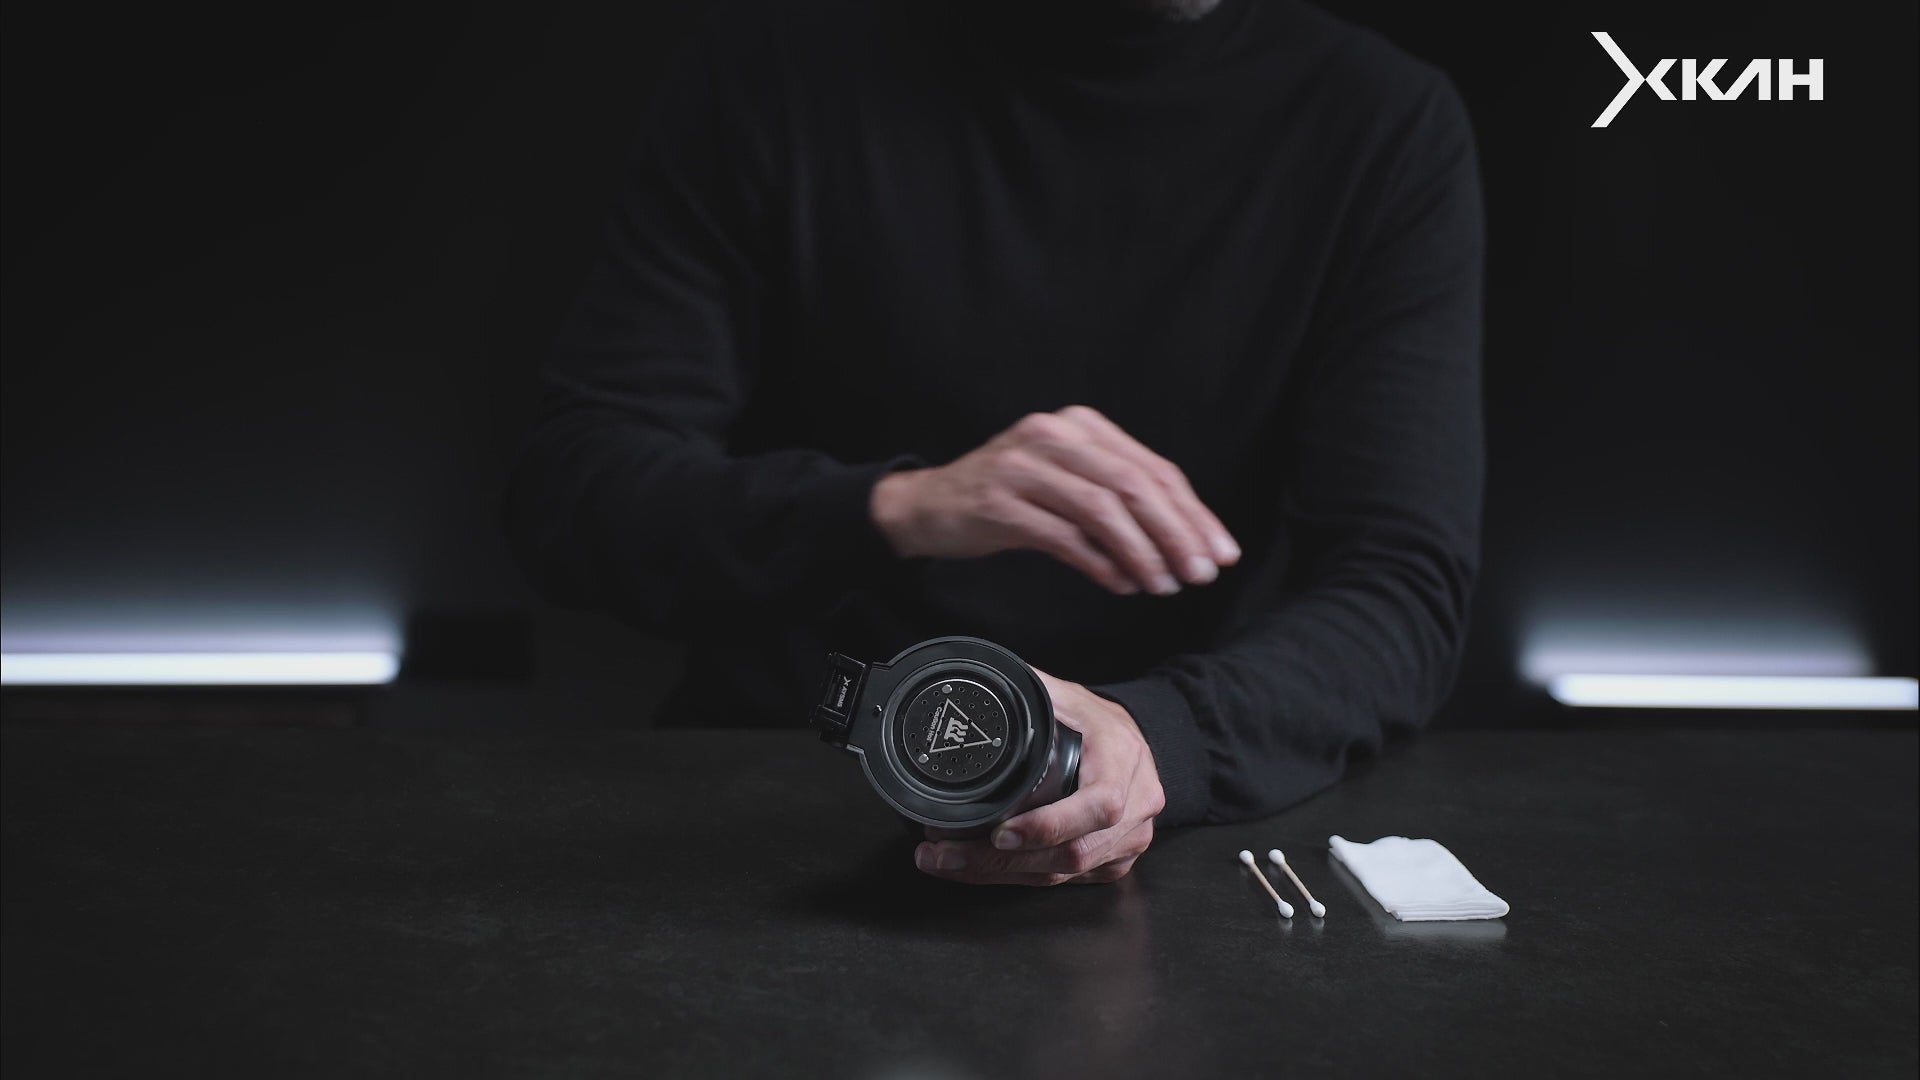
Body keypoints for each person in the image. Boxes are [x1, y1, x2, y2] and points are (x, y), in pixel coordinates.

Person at [505, 0, 1484, 887]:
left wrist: (1156, 736)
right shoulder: (774, 62)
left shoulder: (1380, 122)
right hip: (763, 808)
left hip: (1155, 836)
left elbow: (1399, 587)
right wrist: (898, 509)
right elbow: (574, 489)